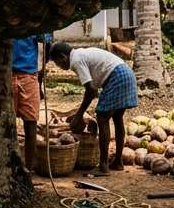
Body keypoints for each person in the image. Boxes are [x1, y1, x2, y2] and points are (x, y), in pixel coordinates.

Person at [48, 42, 137, 176]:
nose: (59, 66)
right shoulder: (80, 54)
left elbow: (91, 91)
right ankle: (118, 162)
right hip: (126, 73)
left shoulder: (76, 61)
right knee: (117, 118)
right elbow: (93, 90)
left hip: (117, 76)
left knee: (102, 117)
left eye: (57, 63)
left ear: (63, 57)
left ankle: (103, 166)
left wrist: (79, 115)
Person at [12, 32, 52, 167]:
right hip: (7, 73)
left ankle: (28, 169)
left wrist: (43, 68)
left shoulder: (34, 16)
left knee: (30, 122)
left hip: (29, 74)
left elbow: (47, 40)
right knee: (7, 123)